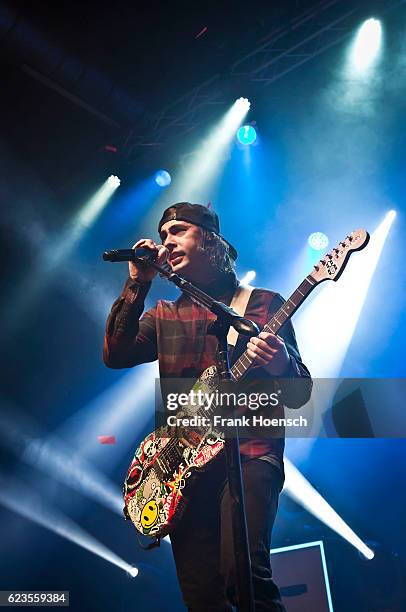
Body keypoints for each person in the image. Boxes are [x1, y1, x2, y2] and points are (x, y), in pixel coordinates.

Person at [103, 202, 312, 612]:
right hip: (182, 470)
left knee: (245, 577)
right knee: (202, 597)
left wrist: (280, 361)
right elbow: (115, 353)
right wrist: (137, 284)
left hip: (248, 452)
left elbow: (300, 392)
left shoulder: (262, 304)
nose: (167, 241)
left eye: (178, 231)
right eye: (163, 235)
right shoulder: (165, 314)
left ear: (212, 242)